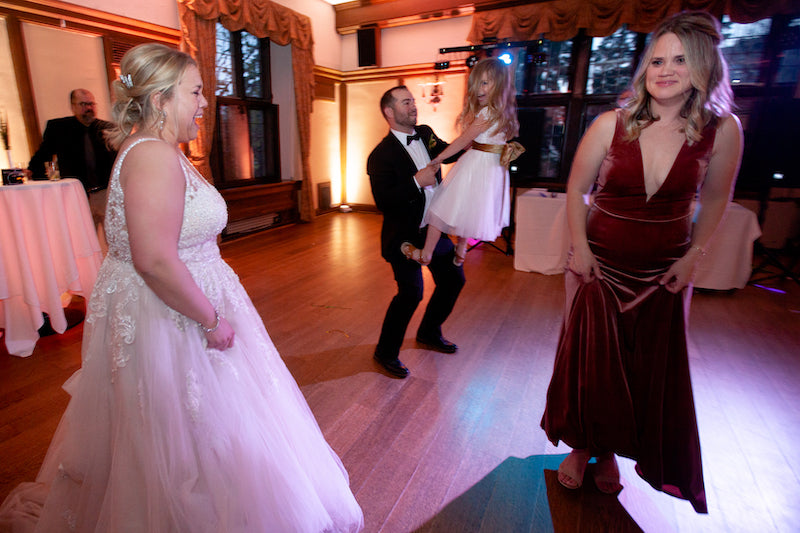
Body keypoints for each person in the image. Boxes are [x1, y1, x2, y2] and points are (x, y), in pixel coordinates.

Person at [0, 43, 363, 532]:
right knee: (192, 434)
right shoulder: (151, 155)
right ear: (160, 99)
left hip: (174, 300)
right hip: (176, 313)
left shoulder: (152, 149)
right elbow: (152, 258)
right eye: (195, 91)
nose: (203, 103)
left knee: (186, 437)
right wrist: (210, 319)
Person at [540, 11, 743, 514]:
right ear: (643, 68)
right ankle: (586, 445)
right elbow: (576, 188)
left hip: (664, 276)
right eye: (657, 59)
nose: (665, 69)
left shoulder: (723, 131)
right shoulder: (612, 122)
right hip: (598, 265)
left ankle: (609, 450)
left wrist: (693, 256)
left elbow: (716, 200)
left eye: (679, 59)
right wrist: (581, 248)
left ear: (703, 69)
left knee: (640, 369)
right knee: (592, 364)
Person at [367, 85, 466, 378]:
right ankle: (385, 352)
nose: (413, 106)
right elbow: (383, 202)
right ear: (389, 111)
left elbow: (447, 153)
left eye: (413, 101)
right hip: (404, 237)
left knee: (453, 280)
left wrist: (476, 144)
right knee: (411, 293)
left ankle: (428, 332)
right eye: (406, 102)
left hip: (434, 229)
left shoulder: (424, 133)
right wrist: (415, 183)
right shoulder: (380, 156)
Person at [402, 57, 522, 267]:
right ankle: (460, 251)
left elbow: (462, 140)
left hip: (477, 165)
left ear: (500, 85)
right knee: (469, 207)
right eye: (476, 84)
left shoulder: (487, 112)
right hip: (492, 169)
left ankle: (426, 253)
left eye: (485, 83)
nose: (478, 89)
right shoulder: (503, 112)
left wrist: (438, 159)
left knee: (440, 208)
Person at [28, 88, 117, 227]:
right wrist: (31, 172)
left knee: (115, 241)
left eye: (91, 104)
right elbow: (43, 155)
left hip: (105, 195)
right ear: (72, 107)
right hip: (77, 195)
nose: (88, 108)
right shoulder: (58, 128)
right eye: (83, 104)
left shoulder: (108, 129)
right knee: (84, 242)